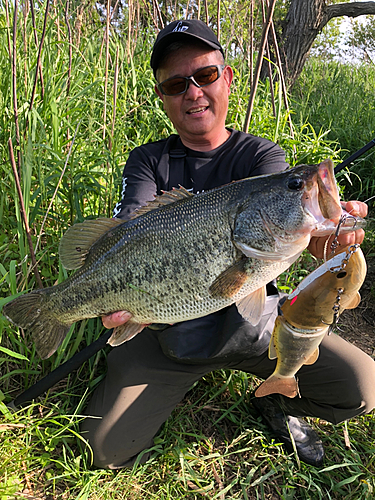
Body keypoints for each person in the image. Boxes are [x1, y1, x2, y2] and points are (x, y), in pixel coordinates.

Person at [81, 19, 374, 469]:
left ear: (229, 78)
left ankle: (276, 399)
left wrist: (328, 242)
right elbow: (121, 240)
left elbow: (286, 235)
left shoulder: (261, 159)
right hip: (164, 331)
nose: (194, 92)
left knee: (361, 386)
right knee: (102, 451)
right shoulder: (149, 161)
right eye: (177, 84)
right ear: (163, 96)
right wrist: (116, 301)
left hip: (253, 330)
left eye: (207, 76)